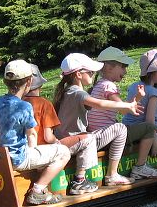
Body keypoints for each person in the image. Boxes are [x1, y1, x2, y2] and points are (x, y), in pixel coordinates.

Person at [53, 53, 143, 186]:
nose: (93, 74)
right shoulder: (78, 93)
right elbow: (100, 104)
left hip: (69, 141)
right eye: (90, 72)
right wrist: (127, 105)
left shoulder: (68, 91)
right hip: (76, 143)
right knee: (120, 128)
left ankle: (83, 179)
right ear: (78, 74)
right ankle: (111, 175)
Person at [0, 59, 71, 206]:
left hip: (1, 156)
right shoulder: (24, 106)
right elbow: (32, 134)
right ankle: (38, 190)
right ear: (29, 82)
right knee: (64, 152)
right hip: (18, 158)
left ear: (5, 82)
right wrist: (33, 151)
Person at [22, 63, 100, 196]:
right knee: (86, 139)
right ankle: (79, 180)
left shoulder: (19, 104)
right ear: (40, 85)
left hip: (23, 150)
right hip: (42, 151)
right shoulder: (44, 104)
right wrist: (57, 142)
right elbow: (48, 137)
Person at [89, 47, 157, 180]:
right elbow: (122, 109)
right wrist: (136, 100)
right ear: (109, 67)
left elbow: (123, 107)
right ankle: (140, 167)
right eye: (123, 67)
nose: (126, 71)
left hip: (100, 133)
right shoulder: (108, 86)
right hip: (107, 135)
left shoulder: (99, 84)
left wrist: (138, 98)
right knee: (150, 128)